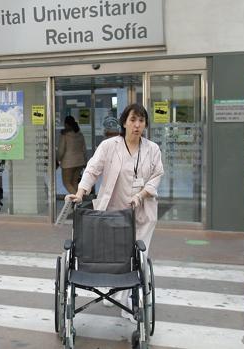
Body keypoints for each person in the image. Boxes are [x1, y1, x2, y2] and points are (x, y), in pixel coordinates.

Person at [65, 103, 164, 321]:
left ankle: (128, 301)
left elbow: (157, 175)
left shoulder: (152, 149)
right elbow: (92, 170)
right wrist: (81, 193)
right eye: (132, 120)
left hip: (143, 211)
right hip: (114, 212)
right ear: (124, 122)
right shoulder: (109, 146)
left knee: (138, 255)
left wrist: (142, 195)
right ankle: (120, 294)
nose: (137, 125)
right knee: (118, 253)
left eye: (141, 121)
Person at [57, 116, 87, 194]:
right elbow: (84, 149)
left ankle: (77, 200)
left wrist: (58, 159)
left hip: (68, 163)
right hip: (80, 162)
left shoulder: (64, 135)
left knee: (66, 183)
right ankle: (76, 203)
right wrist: (85, 161)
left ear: (66, 124)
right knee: (74, 182)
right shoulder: (80, 134)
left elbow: (61, 150)